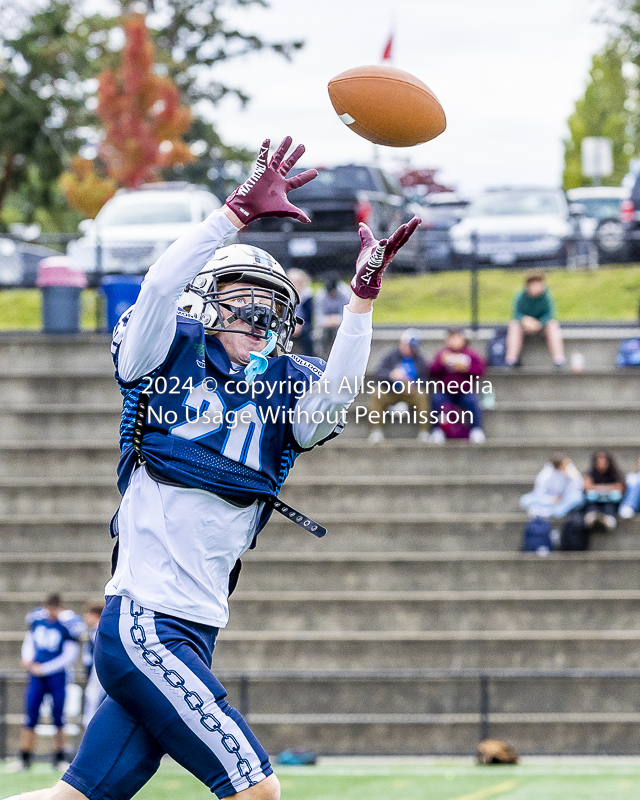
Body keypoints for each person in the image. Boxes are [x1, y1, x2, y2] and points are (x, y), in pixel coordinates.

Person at [2, 136, 419, 800]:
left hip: (196, 626)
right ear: (206, 302)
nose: (257, 311)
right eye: (241, 295)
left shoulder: (285, 393)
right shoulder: (160, 359)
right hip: (145, 622)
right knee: (258, 791)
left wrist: (361, 306)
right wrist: (231, 215)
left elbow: (337, 399)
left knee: (73, 798)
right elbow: (161, 284)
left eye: (269, 299)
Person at [17, 594, 84, 771]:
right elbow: (30, 640)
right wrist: (28, 659)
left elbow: (70, 655)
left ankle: (60, 756)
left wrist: (45, 668)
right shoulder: (37, 620)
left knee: (59, 716)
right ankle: (24, 757)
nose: (50, 612)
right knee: (30, 714)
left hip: (57, 676)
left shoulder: (68, 624)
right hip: (36, 676)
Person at [367, 328, 430, 443]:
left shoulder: (419, 360)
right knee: (377, 393)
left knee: (422, 394)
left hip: (410, 393)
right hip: (391, 391)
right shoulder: (391, 357)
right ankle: (376, 430)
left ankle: (424, 431)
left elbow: (425, 379)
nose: (408, 348)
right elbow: (379, 373)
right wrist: (391, 375)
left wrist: (412, 385)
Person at [429, 327, 486, 444]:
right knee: (437, 400)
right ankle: (436, 430)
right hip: (446, 392)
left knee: (472, 401)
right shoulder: (442, 354)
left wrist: (466, 368)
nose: (454, 341)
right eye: (451, 338)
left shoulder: (471, 354)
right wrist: (441, 363)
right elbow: (432, 372)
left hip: (465, 391)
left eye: (457, 338)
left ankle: (476, 429)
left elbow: (480, 371)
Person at [505, 270, 565, 367]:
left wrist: (539, 323)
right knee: (514, 325)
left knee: (553, 325)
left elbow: (550, 315)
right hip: (525, 326)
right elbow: (516, 314)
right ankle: (511, 360)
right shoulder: (520, 297)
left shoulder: (546, 297)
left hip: (542, 327)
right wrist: (525, 320)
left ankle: (559, 359)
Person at [519, 453, 584, 519]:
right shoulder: (545, 474)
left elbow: (577, 488)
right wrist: (551, 500)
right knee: (525, 500)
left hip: (563, 499)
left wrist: (572, 475)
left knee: (578, 497)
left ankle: (548, 511)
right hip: (549, 500)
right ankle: (547, 511)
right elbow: (539, 493)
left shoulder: (570, 470)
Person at [583, 450, 625, 530]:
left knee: (609, 507)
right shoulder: (590, 473)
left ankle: (607, 521)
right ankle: (593, 519)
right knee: (592, 507)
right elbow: (586, 486)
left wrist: (598, 487)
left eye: (604, 462)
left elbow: (620, 487)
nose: (601, 465)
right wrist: (608, 488)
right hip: (594, 501)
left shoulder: (615, 474)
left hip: (610, 502)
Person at [81, 603, 106, 729]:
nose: (85, 617)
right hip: (93, 671)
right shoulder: (93, 631)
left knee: (93, 697)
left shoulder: (99, 630)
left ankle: (92, 727)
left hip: (98, 672)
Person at [316, 271, 351, 358]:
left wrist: (337, 320)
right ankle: (321, 357)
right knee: (319, 334)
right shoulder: (320, 295)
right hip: (326, 324)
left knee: (340, 332)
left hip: (341, 323)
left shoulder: (345, 293)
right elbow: (318, 316)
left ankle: (343, 356)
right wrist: (326, 321)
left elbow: (348, 315)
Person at [286, 268, 315, 356]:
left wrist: (299, 326)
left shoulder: (307, 297)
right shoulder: (285, 296)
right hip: (287, 324)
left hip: (303, 326)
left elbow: (308, 316)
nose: (296, 284)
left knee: (307, 333)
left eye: (298, 281)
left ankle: (308, 356)